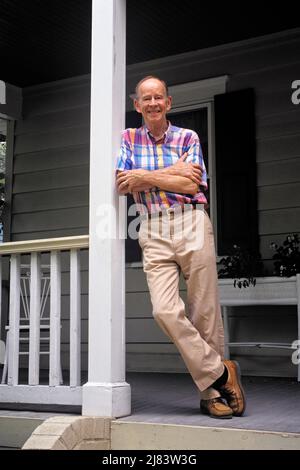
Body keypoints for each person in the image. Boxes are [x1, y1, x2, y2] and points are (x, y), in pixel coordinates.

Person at [116, 75, 246, 419]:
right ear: (137, 105)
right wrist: (170, 173)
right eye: (147, 98)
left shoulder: (188, 136)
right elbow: (122, 184)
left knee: (204, 310)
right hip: (153, 227)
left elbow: (193, 182)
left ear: (168, 103)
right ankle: (221, 371)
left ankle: (211, 394)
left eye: (159, 97)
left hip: (191, 220)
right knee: (164, 310)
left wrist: (146, 176)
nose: (153, 103)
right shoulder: (127, 138)